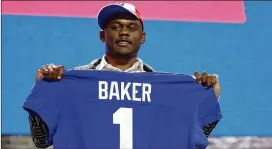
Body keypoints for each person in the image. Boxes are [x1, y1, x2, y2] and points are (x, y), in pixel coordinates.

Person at [28, 2, 221, 148]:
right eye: (116, 27)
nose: (124, 33)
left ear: (142, 37)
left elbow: (189, 142)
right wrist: (43, 88)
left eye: (132, 27)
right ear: (102, 35)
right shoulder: (70, 82)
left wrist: (206, 97)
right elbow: (41, 140)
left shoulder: (166, 90)